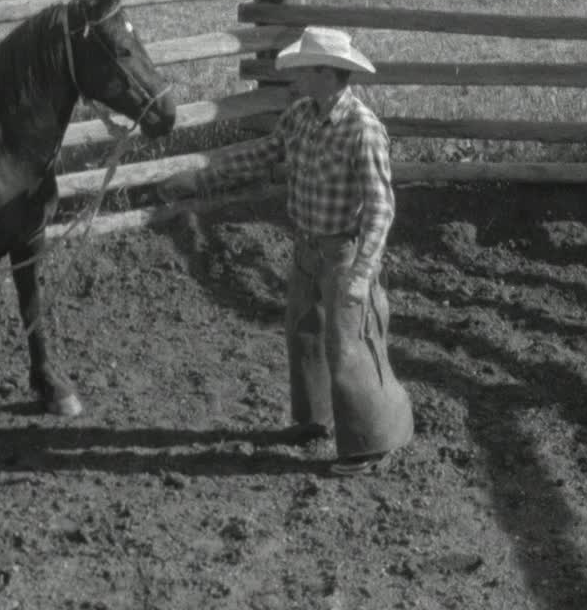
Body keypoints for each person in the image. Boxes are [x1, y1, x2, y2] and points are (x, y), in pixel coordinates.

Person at [158, 26, 414, 476]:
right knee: (304, 333)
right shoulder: (300, 116)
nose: (294, 77)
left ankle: (372, 445)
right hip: (307, 248)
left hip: (343, 254)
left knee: (349, 344)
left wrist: (361, 272)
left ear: (328, 73)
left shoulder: (363, 129)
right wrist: (199, 178)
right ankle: (316, 419)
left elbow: (379, 208)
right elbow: (262, 155)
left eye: (302, 69)